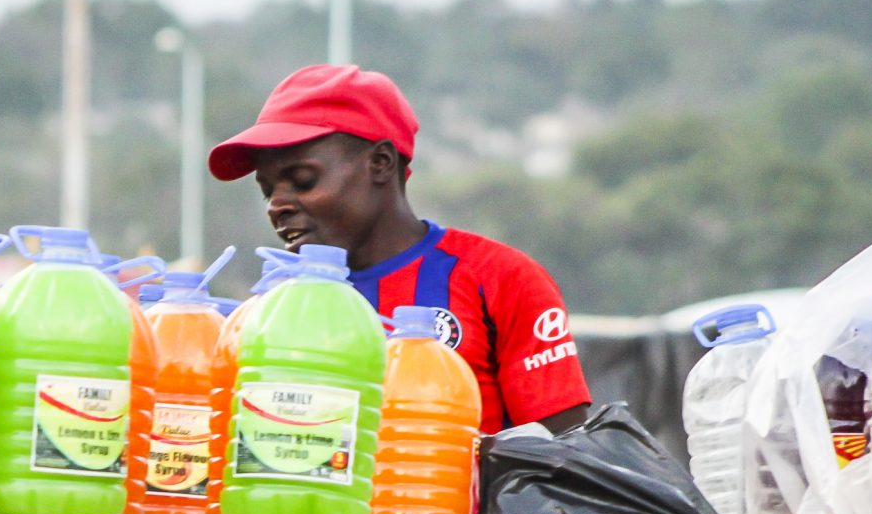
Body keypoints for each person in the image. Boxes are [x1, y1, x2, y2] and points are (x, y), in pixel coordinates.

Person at [209, 64, 593, 434]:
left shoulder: (501, 278)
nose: (278, 204)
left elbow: (566, 462)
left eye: (303, 180)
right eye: (267, 190)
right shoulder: (276, 308)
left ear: (380, 163)